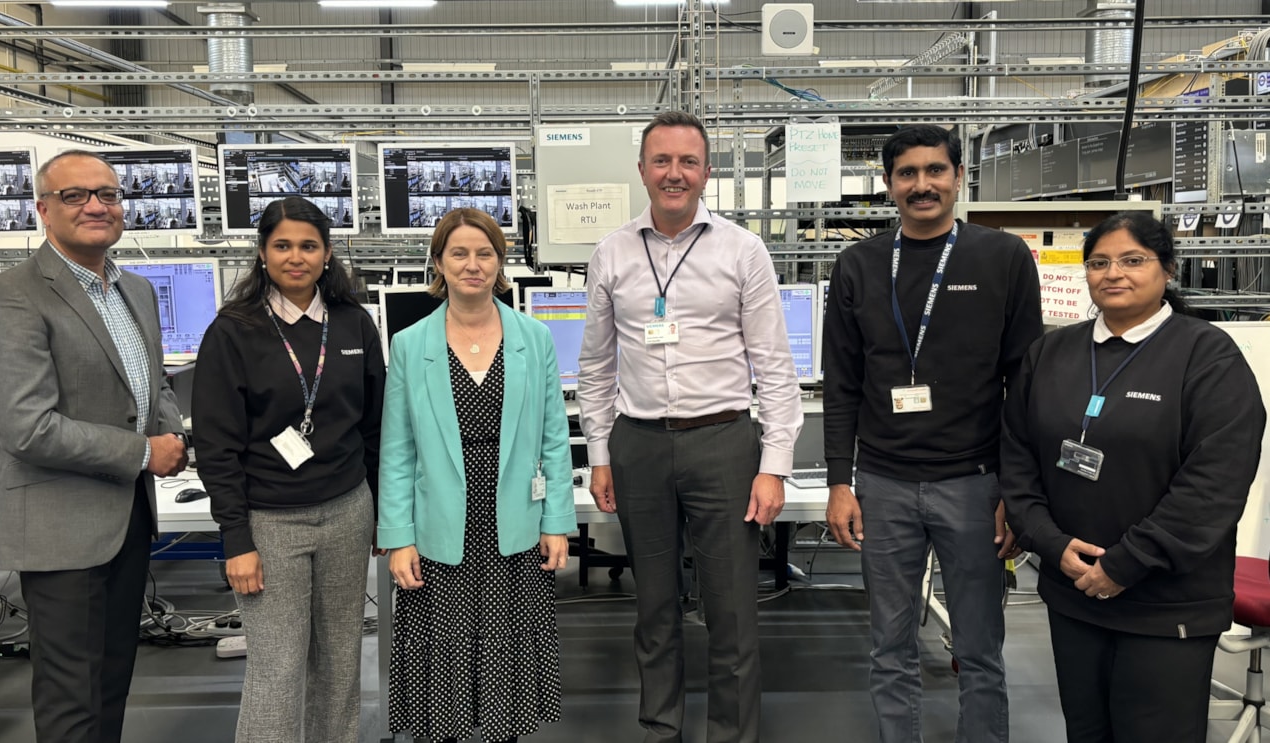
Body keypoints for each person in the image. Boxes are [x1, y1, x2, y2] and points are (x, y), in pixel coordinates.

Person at [578, 110, 803, 743]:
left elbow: (775, 369)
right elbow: (595, 367)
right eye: (661, 161)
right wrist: (599, 454)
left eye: (688, 162)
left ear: (707, 171)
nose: (674, 174)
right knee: (654, 608)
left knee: (731, 612)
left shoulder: (742, 249)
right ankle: (661, 730)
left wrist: (773, 465)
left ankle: (731, 735)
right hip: (639, 445)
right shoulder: (613, 252)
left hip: (725, 442)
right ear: (642, 169)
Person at [1001, 211, 1266, 742]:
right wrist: (1051, 546)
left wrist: (1124, 565)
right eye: (1098, 262)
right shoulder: (1052, 352)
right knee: (1087, 731)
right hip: (1072, 589)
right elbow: (1018, 459)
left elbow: (1212, 486)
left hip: (1165, 602)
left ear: (1167, 268)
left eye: (1132, 260)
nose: (1112, 273)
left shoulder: (1206, 356)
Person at [821, 124, 1042, 743]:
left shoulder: (1002, 258)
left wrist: (1016, 491)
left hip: (975, 486)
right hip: (884, 485)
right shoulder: (859, 265)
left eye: (934, 171)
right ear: (888, 184)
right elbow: (840, 385)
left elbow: (1024, 383)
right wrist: (842, 482)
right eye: (907, 174)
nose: (922, 185)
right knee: (889, 648)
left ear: (957, 176)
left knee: (979, 648)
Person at [0, 149, 188, 743]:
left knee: (111, 681)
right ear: (43, 209)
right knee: (71, 696)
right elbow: (28, 426)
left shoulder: (135, 289)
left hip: (127, 520)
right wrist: (144, 454)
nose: (96, 205)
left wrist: (172, 433)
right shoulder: (12, 295)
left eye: (107, 194)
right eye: (75, 196)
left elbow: (152, 381)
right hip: (62, 527)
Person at [192, 196, 385, 743]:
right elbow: (216, 445)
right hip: (269, 523)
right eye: (282, 245)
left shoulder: (353, 324)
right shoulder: (233, 332)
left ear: (327, 254)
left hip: (347, 510)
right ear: (262, 253)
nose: (295, 257)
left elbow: (373, 427)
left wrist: (380, 514)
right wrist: (236, 539)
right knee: (278, 666)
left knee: (341, 660)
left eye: (308, 245)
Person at [380, 206, 574, 743]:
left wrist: (556, 521)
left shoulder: (533, 339)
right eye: (459, 253)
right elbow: (397, 453)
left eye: (484, 253)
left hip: (514, 524)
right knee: (440, 666)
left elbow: (554, 440)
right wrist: (397, 538)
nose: (472, 265)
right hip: (440, 528)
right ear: (438, 262)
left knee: (505, 670)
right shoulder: (410, 344)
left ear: (500, 261)